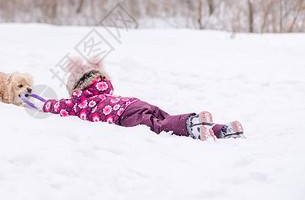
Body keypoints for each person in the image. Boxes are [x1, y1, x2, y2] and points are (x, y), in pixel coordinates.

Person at [36, 57, 244, 141]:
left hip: (125, 115)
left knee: (159, 127)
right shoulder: (106, 92)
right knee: (166, 118)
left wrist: (39, 102)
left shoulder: (77, 102)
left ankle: (192, 124)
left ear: (75, 88)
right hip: (136, 103)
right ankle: (221, 130)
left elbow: (54, 106)